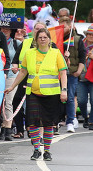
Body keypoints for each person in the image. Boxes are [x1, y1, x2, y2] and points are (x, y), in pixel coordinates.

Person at [4, 28, 67, 161]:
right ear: (36, 40)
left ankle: (47, 151)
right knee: (33, 123)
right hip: (33, 92)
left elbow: (63, 73)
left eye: (45, 37)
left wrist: (64, 90)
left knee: (48, 124)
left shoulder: (56, 53)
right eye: (40, 37)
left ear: (49, 39)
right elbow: (22, 72)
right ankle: (37, 149)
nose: (42, 39)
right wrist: (12, 87)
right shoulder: (29, 53)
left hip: (51, 93)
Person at [0, 26, 21, 141]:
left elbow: (21, 59)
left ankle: (7, 129)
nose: (5, 30)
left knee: (8, 102)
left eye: (7, 28)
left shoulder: (16, 43)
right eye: (2, 28)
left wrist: (16, 66)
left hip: (12, 76)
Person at [63, 26, 86, 132]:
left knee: (70, 97)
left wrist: (79, 71)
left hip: (71, 73)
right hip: (57, 73)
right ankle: (56, 122)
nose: (63, 27)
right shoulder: (54, 37)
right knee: (57, 98)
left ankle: (70, 121)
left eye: (65, 24)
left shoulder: (76, 40)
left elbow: (82, 56)